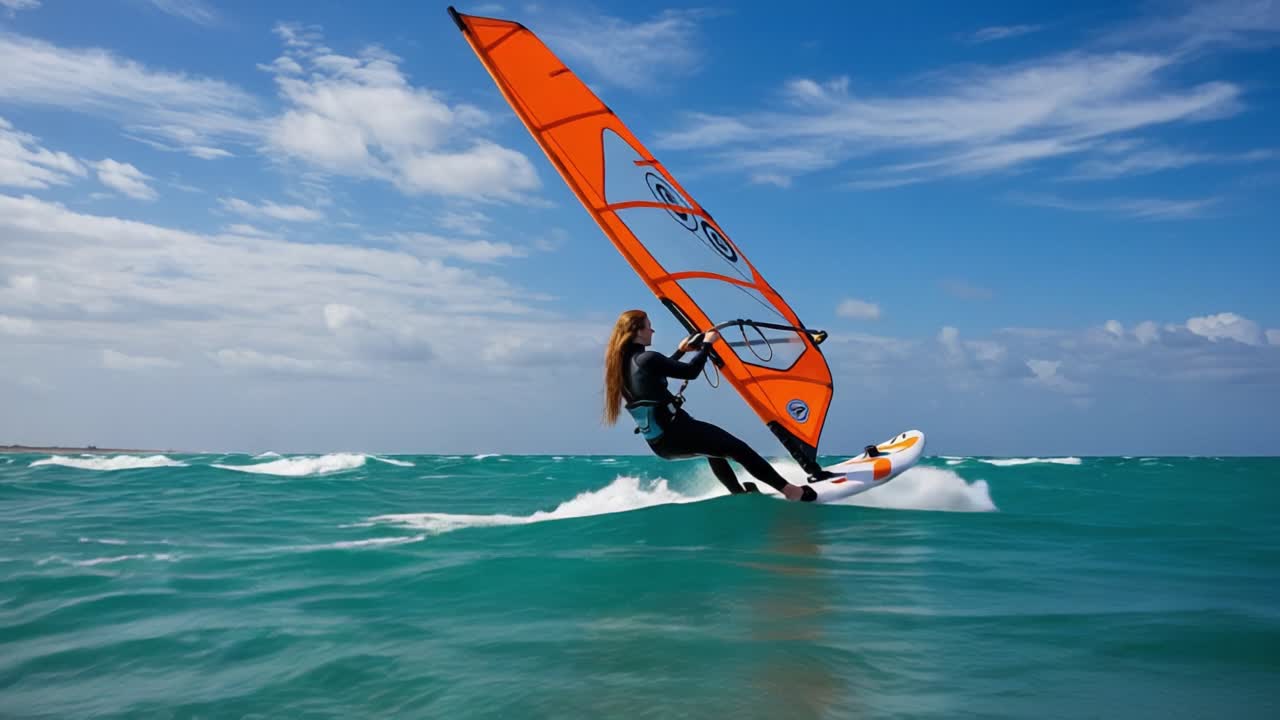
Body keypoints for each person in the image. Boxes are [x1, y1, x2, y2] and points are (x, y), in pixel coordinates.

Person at [603, 309, 817, 502]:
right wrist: (707, 344)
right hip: (678, 431)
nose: (653, 330)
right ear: (638, 331)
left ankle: (737, 494)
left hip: (661, 443)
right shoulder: (647, 358)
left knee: (714, 450)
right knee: (739, 449)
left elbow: (655, 372)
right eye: (649, 326)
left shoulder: (622, 367)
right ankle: (792, 492)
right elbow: (690, 372)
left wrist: (681, 351)